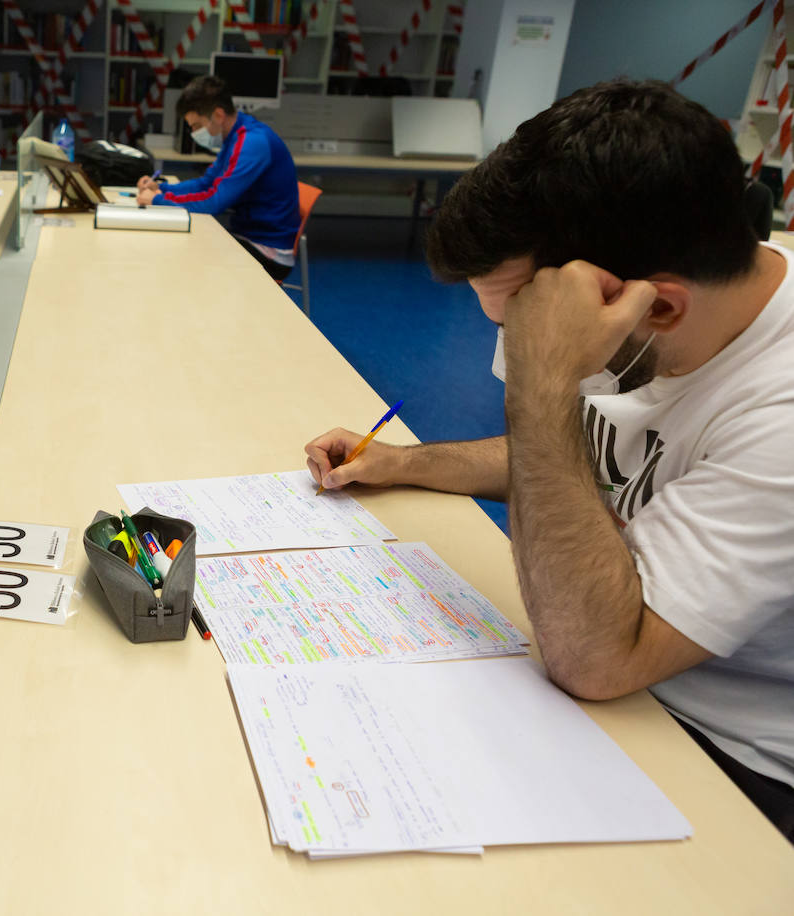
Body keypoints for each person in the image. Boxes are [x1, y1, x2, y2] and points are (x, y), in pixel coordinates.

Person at [303, 79, 794, 841]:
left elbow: (597, 660)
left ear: (656, 305)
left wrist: (545, 379)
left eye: (527, 332)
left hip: (728, 750)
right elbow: (580, 460)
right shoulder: (637, 327)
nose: (513, 349)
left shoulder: (780, 412)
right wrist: (404, 464)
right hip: (604, 655)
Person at [136, 75, 300, 281]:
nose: (194, 133)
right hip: (249, 235)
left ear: (219, 115)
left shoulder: (251, 143)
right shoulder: (235, 136)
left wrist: (157, 200)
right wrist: (162, 188)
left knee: (181, 254)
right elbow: (205, 184)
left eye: (197, 126)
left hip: (268, 250)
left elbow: (214, 202)